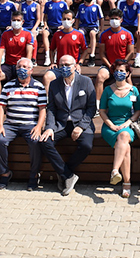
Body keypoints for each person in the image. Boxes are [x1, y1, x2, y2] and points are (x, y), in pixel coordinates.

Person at [39, 55, 96, 196]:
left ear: (75, 66)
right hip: (61, 123)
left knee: (86, 146)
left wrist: (81, 126)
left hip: (81, 122)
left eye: (68, 65)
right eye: (62, 65)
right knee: (44, 141)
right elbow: (51, 108)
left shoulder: (86, 82)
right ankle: (68, 175)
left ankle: (63, 173)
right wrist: (49, 127)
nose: (64, 68)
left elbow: (91, 108)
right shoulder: (54, 84)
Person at [0, 58, 47, 191]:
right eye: (19, 67)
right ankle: (5, 173)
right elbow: (1, 107)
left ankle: (34, 175)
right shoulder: (8, 86)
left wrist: (38, 127)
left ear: (31, 70)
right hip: (11, 124)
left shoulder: (39, 87)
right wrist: (0, 126)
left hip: (30, 124)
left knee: (36, 141)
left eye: (25, 67)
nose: (21, 69)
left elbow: (42, 109)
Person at [99, 60, 140, 198]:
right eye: (117, 70)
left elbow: (138, 111)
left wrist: (128, 122)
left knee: (124, 136)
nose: (119, 73)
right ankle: (126, 184)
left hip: (127, 125)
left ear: (128, 73)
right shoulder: (107, 90)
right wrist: (110, 125)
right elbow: (102, 111)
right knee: (125, 147)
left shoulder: (133, 90)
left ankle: (115, 170)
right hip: (110, 126)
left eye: (122, 71)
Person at [0, 12, 35, 97]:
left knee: (24, 76)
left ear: (22, 22)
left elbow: (29, 52)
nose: (16, 22)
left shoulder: (28, 34)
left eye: (18, 20)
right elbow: (1, 50)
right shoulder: (6, 34)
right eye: (14, 20)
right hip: (8, 65)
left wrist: (26, 67)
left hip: (21, 65)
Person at [95, 9, 135, 94]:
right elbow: (102, 53)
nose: (114, 21)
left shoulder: (128, 34)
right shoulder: (104, 34)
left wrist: (122, 64)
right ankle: (98, 101)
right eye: (112, 18)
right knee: (100, 76)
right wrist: (110, 66)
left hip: (123, 64)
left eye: (116, 18)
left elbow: (131, 52)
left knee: (128, 78)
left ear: (121, 20)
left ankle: (133, 99)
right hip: (108, 65)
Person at [117, 0, 140, 68]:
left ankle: (137, 58)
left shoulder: (138, 3)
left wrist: (139, 28)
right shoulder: (121, 2)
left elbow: (139, 16)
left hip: (134, 25)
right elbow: (118, 16)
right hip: (124, 26)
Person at [41, 0, 69, 66]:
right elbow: (45, 16)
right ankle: (47, 56)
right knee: (44, 33)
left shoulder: (63, 4)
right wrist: (45, 24)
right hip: (50, 26)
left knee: (58, 35)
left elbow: (67, 16)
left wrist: (63, 25)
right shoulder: (48, 4)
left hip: (59, 26)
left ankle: (56, 55)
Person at [75, 0, 103, 67]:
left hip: (93, 26)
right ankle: (80, 52)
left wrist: (101, 30)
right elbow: (77, 18)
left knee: (92, 33)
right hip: (83, 26)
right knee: (80, 33)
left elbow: (101, 18)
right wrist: (76, 29)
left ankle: (92, 55)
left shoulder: (96, 6)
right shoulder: (81, 6)